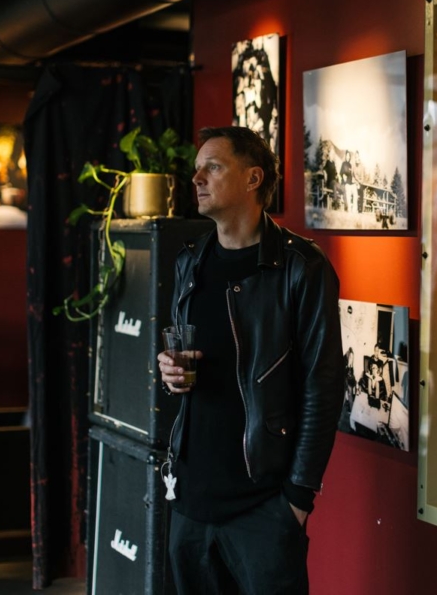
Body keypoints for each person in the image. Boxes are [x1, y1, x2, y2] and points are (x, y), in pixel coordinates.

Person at [157, 125, 343, 594]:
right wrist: (170, 374)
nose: (197, 178)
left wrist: (297, 498)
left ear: (253, 178)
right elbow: (188, 367)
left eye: (213, 167)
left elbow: (324, 386)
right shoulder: (189, 262)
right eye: (197, 169)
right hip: (190, 497)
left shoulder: (302, 267)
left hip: (263, 504)